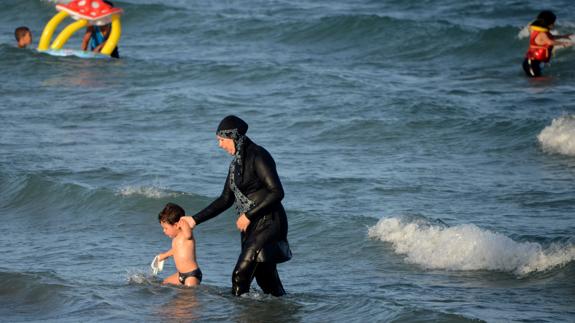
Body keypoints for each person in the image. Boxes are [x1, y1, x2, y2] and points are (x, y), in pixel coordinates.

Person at [182, 115, 292, 297]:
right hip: (251, 227)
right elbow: (225, 199)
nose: (220, 145)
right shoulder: (236, 165)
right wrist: (194, 219)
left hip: (269, 223)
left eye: (221, 140)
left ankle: (237, 315)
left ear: (234, 137)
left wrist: (248, 215)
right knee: (267, 280)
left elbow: (277, 192)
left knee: (240, 275)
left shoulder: (258, 155)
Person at [156, 203, 202, 287]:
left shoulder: (185, 234)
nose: (164, 231)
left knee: (188, 296)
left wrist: (184, 223)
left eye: (166, 228)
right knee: (164, 283)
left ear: (177, 225)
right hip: (180, 275)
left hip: (191, 275)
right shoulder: (176, 239)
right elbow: (176, 250)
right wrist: (164, 255)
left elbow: (189, 235)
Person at [523, 10, 573, 78]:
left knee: (540, 84)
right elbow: (550, 42)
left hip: (532, 62)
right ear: (547, 23)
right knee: (538, 84)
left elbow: (551, 37)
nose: (554, 24)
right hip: (532, 63)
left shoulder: (541, 32)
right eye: (553, 23)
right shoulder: (542, 33)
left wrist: (563, 36)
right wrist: (564, 43)